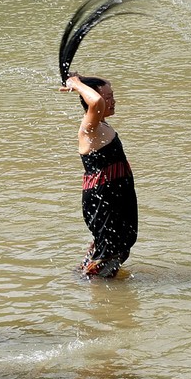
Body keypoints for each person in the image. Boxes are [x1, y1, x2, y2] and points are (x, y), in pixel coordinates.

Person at [60, 73, 138, 278]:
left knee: (119, 245)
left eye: (112, 97)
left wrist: (80, 78)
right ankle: (96, 288)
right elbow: (95, 102)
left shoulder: (101, 124)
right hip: (102, 199)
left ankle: (88, 280)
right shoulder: (89, 127)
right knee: (111, 249)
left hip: (115, 196)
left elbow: (97, 101)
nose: (112, 102)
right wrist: (76, 84)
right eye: (108, 98)